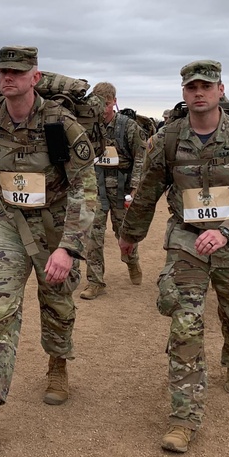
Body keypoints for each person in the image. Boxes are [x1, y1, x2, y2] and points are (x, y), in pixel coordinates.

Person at [118, 60, 229, 453]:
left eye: (206, 86)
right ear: (184, 93)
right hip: (187, 240)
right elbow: (147, 191)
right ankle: (184, 417)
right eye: (191, 88)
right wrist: (130, 236)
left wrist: (227, 232)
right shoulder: (168, 139)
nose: (198, 93)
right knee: (184, 322)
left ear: (221, 90)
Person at [0, 46, 98, 451]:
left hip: (56, 226)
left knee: (58, 303)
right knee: (0, 310)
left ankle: (57, 364)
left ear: (35, 77)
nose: (7, 78)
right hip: (9, 225)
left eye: (17, 72)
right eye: (3, 72)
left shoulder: (60, 123)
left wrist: (68, 248)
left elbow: (86, 189)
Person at [81, 81, 146, 300]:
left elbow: (141, 155)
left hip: (121, 190)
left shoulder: (128, 126)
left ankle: (132, 262)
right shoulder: (89, 126)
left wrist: (136, 185)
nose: (103, 109)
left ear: (114, 102)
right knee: (93, 236)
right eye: (99, 104)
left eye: (107, 104)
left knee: (124, 234)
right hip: (96, 190)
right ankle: (95, 281)